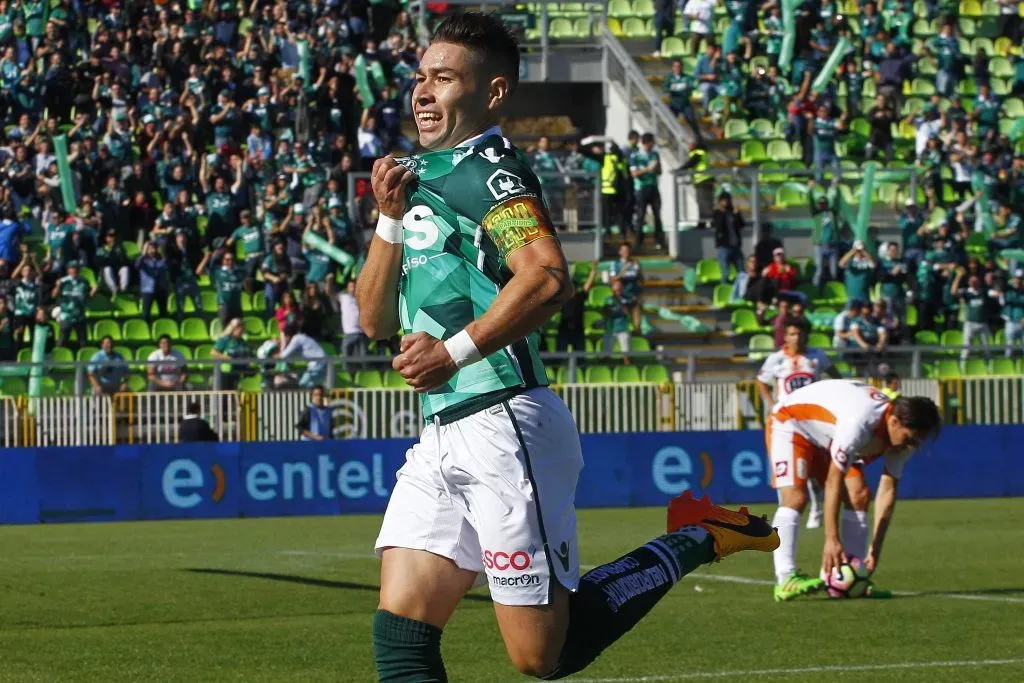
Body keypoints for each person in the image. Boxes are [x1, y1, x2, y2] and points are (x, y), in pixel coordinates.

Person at [355, 13, 778, 682]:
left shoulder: (490, 170)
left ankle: (698, 534)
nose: (424, 93)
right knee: (401, 630)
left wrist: (454, 351)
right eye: (420, 78)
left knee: (539, 654)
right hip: (443, 429)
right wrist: (386, 216)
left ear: (492, 92)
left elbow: (549, 276)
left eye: (444, 78)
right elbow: (373, 319)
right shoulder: (424, 177)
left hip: (502, 424)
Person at [767, 380, 941, 601]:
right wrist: (831, 538)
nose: (910, 446)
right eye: (908, 438)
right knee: (795, 497)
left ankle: (848, 577)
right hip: (792, 422)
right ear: (894, 422)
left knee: (859, 495)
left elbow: (887, 491)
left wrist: (875, 550)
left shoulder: (904, 439)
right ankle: (785, 579)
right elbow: (833, 481)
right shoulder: (859, 423)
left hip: (828, 435)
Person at [756, 319, 842, 530]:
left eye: (800, 333)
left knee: (814, 467)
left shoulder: (816, 356)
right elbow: (760, 381)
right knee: (784, 468)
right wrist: (771, 403)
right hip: (786, 421)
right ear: (785, 337)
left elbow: (835, 375)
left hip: (812, 420)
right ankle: (784, 508)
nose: (797, 338)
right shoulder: (776, 359)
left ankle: (816, 508)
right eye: (793, 334)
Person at [629, 133, 666, 250]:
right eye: (651, 143)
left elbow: (660, 172)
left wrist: (656, 168)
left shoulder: (655, 154)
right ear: (646, 143)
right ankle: (639, 241)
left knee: (657, 215)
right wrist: (648, 168)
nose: (652, 145)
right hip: (641, 189)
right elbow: (634, 173)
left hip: (653, 187)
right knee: (641, 215)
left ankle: (660, 240)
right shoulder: (635, 155)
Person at [951, 268, 995, 361]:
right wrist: (958, 277)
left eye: (976, 281)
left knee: (986, 347)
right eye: (972, 281)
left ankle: (988, 367)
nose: (974, 282)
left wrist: (991, 281)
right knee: (967, 346)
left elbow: (996, 293)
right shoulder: (966, 292)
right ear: (969, 282)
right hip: (970, 323)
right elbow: (953, 292)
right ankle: (963, 365)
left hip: (982, 323)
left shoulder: (984, 292)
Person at [557, 262, 598, 353]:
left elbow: (588, 285)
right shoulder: (563, 298)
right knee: (560, 355)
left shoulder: (580, 297)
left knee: (580, 356)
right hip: (564, 329)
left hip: (578, 330)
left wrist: (593, 271)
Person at [607, 243, 644, 332]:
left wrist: (639, 270)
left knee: (637, 322)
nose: (626, 252)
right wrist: (623, 271)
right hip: (620, 297)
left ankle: (637, 334)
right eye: (623, 250)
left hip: (633, 296)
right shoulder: (615, 264)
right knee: (623, 323)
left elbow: (642, 281)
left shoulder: (634, 264)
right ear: (619, 252)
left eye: (627, 250)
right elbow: (612, 280)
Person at [278, 323, 326, 388]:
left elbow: (283, 356)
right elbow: (290, 357)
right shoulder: (300, 338)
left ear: (288, 336)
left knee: (302, 386)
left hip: (318, 364)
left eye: (283, 337)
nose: (282, 339)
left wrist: (282, 345)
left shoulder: (296, 339)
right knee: (310, 387)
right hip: (319, 363)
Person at [712, 192, 744, 284]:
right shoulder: (717, 213)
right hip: (724, 247)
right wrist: (722, 213)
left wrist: (737, 214)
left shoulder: (733, 212)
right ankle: (724, 291)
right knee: (726, 273)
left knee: (741, 272)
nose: (727, 202)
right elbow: (719, 227)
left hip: (736, 246)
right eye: (724, 201)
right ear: (720, 202)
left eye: (728, 200)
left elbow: (741, 225)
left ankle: (741, 293)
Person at [339, 279, 369, 369]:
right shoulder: (343, 297)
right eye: (351, 286)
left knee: (364, 359)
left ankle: (365, 378)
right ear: (347, 288)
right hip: (349, 334)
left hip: (362, 333)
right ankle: (347, 377)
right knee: (346, 358)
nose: (352, 288)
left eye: (354, 286)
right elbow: (329, 292)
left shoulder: (363, 298)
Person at [1000, 269, 1024, 358]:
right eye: (1017, 278)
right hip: (1011, 322)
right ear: (1013, 279)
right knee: (1009, 348)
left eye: (1020, 278)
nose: (1018, 280)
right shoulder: (1008, 290)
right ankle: (1007, 368)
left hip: (1023, 323)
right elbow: (1002, 302)